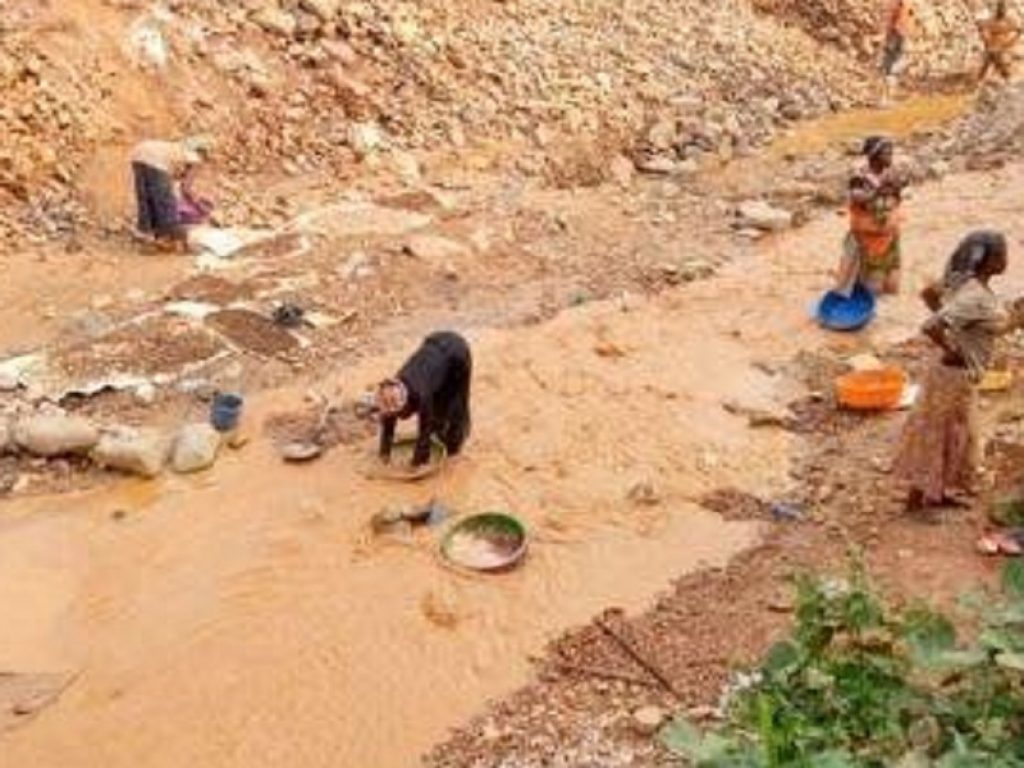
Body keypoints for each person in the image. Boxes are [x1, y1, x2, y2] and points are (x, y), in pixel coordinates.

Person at [896, 231, 1024, 513]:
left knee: (955, 432)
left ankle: (938, 492)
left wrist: (957, 330)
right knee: (937, 434)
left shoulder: (964, 284)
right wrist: (953, 347)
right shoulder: (974, 295)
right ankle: (915, 503)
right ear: (987, 260)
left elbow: (929, 292)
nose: (1006, 259)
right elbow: (931, 326)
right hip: (951, 375)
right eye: (1002, 254)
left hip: (953, 374)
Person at [376, 331, 472, 468]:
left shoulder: (422, 396)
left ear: (408, 406)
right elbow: (388, 424)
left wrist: (415, 466)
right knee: (437, 416)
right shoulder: (392, 391)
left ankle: (454, 445)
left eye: (400, 414)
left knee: (453, 407)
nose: (398, 417)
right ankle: (441, 431)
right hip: (435, 347)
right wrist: (384, 455)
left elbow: (423, 436)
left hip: (457, 354)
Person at [833, 136, 906, 297]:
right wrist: (876, 192)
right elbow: (856, 197)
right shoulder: (860, 176)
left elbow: (897, 197)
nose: (890, 157)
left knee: (891, 288)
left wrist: (896, 188)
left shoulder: (891, 172)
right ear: (874, 155)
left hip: (889, 235)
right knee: (871, 290)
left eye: (891, 153)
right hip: (867, 238)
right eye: (886, 154)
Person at [131, 136, 212, 251]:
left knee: (146, 198)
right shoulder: (195, 158)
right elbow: (186, 188)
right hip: (155, 159)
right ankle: (174, 239)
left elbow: (174, 180)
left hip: (138, 153)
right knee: (165, 202)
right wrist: (199, 205)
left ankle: (145, 235)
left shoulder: (176, 149)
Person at [881, 0, 916, 105]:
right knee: (891, 67)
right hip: (897, 35)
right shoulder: (901, 3)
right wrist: (900, 33)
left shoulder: (901, 3)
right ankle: (886, 98)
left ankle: (887, 98)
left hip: (897, 34)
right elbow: (896, 18)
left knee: (891, 66)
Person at [978, 0, 1021, 84]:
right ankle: (1005, 76)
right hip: (994, 45)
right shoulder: (992, 21)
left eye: (1002, 9)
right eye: (1000, 9)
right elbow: (983, 28)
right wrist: (986, 40)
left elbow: (1017, 29)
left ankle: (982, 78)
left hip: (1001, 46)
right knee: (993, 59)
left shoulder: (1008, 21)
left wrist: (1012, 40)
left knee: (992, 60)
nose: (1001, 11)